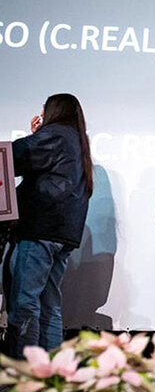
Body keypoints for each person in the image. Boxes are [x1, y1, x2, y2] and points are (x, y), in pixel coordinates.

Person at [6, 93, 93, 358]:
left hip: (41, 229)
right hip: (63, 233)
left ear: (53, 111)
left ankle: (23, 375)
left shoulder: (56, 134)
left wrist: (38, 134)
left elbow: (18, 156)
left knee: (25, 303)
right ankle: (52, 375)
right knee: (49, 305)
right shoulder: (77, 140)